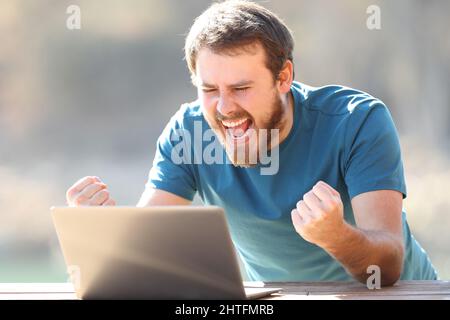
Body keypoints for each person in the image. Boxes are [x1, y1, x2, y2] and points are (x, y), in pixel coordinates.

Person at [65, 0, 437, 284]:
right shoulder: (189, 131)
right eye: (209, 90)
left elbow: (386, 268)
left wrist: (336, 236)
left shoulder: (358, 121)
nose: (225, 108)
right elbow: (144, 247)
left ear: (284, 77)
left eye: (241, 88)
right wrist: (98, 235)